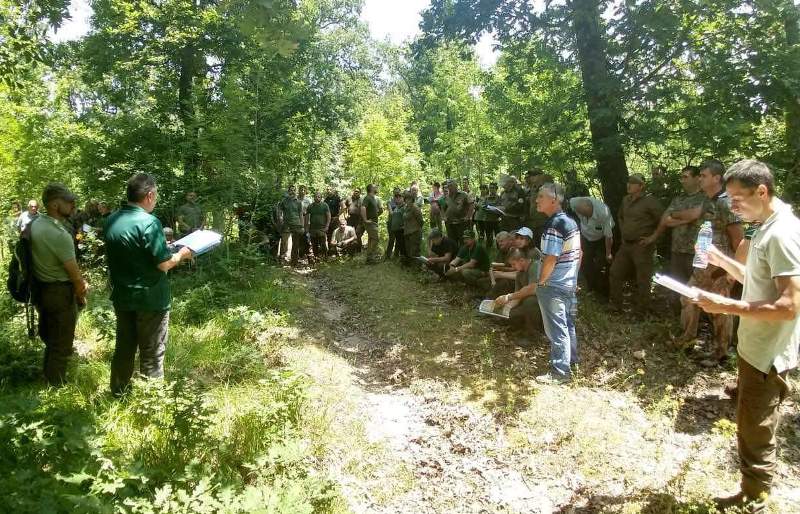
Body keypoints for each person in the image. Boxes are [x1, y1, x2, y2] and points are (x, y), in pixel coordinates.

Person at [693, 160, 798, 514]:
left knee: (756, 428)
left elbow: (789, 304)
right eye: (729, 197)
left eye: (738, 199)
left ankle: (755, 497)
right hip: (754, 345)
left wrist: (725, 306)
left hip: (768, 351)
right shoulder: (765, 226)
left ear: (762, 192)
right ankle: (753, 491)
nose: (732, 206)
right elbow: (757, 280)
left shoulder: (782, 233)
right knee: (750, 420)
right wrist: (723, 262)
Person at [103, 173, 193, 397]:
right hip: (151, 300)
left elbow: (134, 254)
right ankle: (151, 404)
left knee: (124, 349)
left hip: (123, 297)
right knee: (152, 352)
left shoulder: (111, 220)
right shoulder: (149, 222)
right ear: (150, 195)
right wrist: (181, 254)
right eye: (156, 195)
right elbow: (163, 264)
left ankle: (118, 393)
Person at [678, 160, 743, 365]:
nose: (700, 178)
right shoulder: (706, 200)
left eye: (704, 175)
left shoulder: (725, 202)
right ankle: (687, 339)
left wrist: (731, 272)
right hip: (703, 265)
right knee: (687, 297)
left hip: (720, 269)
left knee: (720, 309)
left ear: (717, 178)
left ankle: (721, 353)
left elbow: (738, 239)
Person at [30, 184, 88, 386]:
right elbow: (75, 276)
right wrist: (81, 292)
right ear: (55, 204)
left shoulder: (37, 223)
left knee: (51, 340)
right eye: (69, 202)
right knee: (62, 345)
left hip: (43, 290)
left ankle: (48, 379)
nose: (74, 205)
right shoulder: (58, 234)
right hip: (59, 293)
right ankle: (57, 389)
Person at [533, 183, 581, 384]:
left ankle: (560, 372)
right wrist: (574, 277)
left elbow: (551, 258)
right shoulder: (570, 222)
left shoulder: (555, 225)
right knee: (567, 325)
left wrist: (541, 282)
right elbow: (579, 254)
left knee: (556, 328)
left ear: (554, 200)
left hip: (554, 286)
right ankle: (571, 363)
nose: (537, 200)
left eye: (541, 196)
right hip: (568, 283)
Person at [609, 174, 664, 313]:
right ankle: (616, 305)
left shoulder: (650, 201)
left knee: (643, 278)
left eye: (633, 183)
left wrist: (652, 238)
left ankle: (642, 310)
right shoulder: (625, 200)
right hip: (625, 245)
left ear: (641, 186)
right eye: (628, 182)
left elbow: (663, 220)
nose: (629, 185)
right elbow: (620, 216)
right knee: (615, 272)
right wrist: (623, 233)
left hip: (642, 246)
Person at [568, 196, 614, 299]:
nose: (583, 215)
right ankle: (591, 287)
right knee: (584, 262)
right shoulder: (574, 202)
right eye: (580, 212)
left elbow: (608, 236)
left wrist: (608, 253)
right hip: (586, 236)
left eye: (585, 213)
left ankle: (604, 293)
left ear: (590, 208)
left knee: (600, 264)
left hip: (601, 239)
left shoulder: (603, 212)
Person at [493, 248, 543, 339]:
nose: (512, 267)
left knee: (530, 300)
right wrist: (506, 308)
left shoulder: (535, 266)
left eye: (513, 264)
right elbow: (518, 295)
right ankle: (524, 326)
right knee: (510, 315)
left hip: (545, 303)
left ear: (522, 260)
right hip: (532, 305)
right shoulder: (520, 273)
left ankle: (532, 334)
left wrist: (508, 297)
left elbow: (532, 289)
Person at [277, 185, 305, 266]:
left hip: (296, 224)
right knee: (284, 242)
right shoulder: (284, 201)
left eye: (293, 190)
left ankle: (294, 261)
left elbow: (301, 215)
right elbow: (279, 211)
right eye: (290, 190)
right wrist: (280, 218)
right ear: (288, 191)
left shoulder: (299, 202)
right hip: (286, 224)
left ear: (295, 191)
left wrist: (302, 226)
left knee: (295, 244)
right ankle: (282, 259)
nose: (292, 192)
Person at [361, 184, 383, 264]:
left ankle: (369, 259)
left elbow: (377, 211)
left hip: (373, 222)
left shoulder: (373, 198)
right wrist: (365, 220)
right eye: (375, 187)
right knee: (376, 239)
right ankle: (370, 257)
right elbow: (363, 207)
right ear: (371, 189)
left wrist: (376, 215)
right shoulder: (368, 198)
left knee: (371, 239)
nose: (376, 188)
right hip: (370, 223)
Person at [306, 191, 331, 262]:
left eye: (319, 196)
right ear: (314, 197)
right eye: (316, 196)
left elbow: (328, 216)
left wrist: (327, 226)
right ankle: (316, 257)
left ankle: (325, 257)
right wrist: (306, 228)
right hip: (313, 228)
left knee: (323, 243)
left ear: (321, 198)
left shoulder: (325, 205)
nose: (317, 198)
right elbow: (307, 217)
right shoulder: (310, 206)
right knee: (314, 244)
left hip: (322, 228)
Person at [403, 189, 424, 261]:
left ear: (412, 200)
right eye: (406, 199)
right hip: (407, 232)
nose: (407, 201)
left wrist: (417, 229)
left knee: (415, 251)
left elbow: (421, 221)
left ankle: (417, 268)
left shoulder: (415, 208)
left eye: (409, 199)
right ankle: (411, 267)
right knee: (408, 251)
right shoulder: (406, 208)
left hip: (415, 232)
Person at [385, 189, 405, 259]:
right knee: (391, 239)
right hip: (391, 222)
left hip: (399, 224)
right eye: (396, 194)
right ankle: (388, 255)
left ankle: (396, 255)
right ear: (393, 193)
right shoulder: (390, 201)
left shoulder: (401, 202)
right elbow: (391, 213)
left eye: (398, 193)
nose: (397, 195)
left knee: (399, 240)